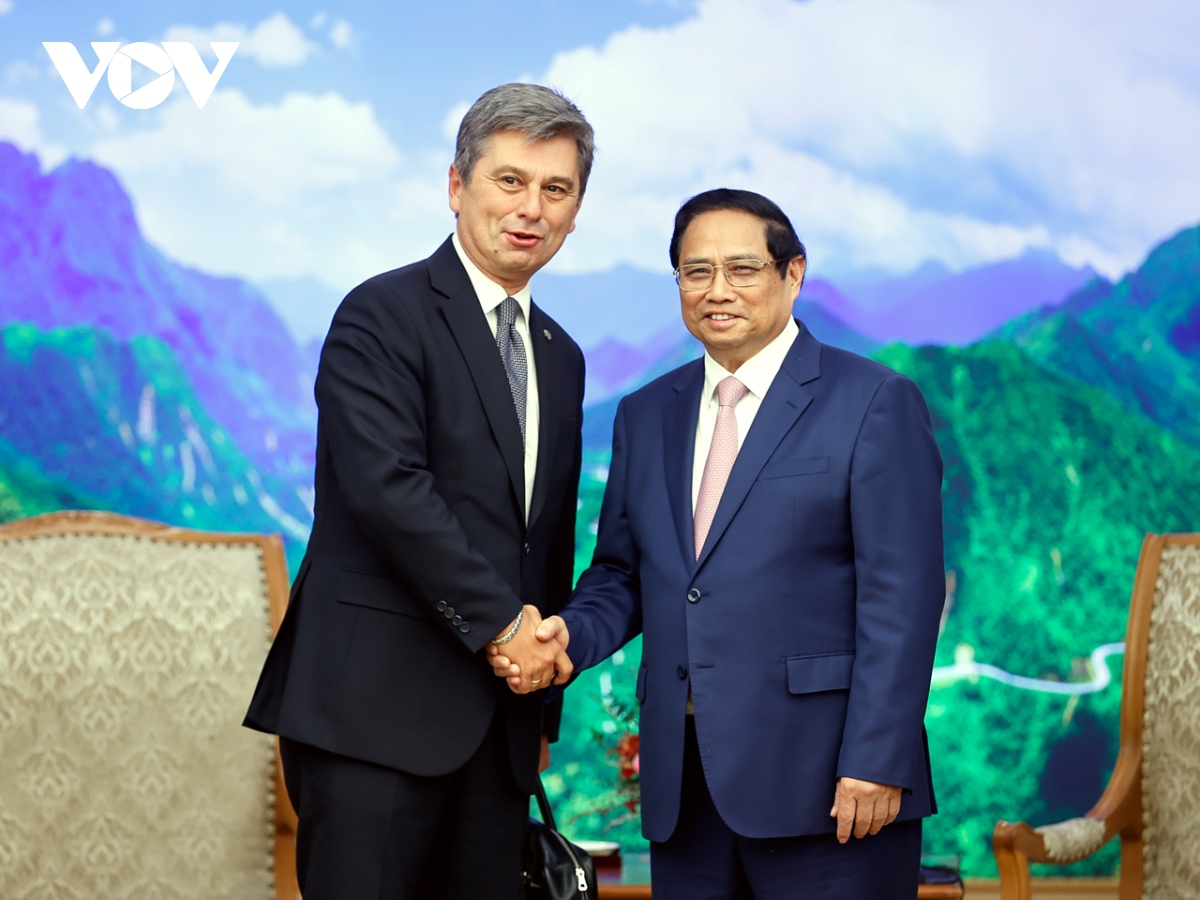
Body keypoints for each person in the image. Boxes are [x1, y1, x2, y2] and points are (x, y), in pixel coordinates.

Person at [493, 188, 945, 899]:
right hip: (684, 787)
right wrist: (567, 639)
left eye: (742, 269)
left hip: (831, 787)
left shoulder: (873, 401)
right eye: (696, 271)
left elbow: (904, 599)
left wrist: (877, 759)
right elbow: (623, 572)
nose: (717, 290)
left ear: (793, 273)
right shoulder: (647, 414)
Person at [244, 83, 589, 900]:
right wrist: (508, 627)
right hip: (372, 716)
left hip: (500, 728)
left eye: (556, 188)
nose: (531, 208)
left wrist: (539, 708)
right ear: (456, 185)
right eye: (510, 180)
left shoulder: (560, 355)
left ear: (576, 210)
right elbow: (388, 492)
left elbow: (545, 538)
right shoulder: (381, 314)